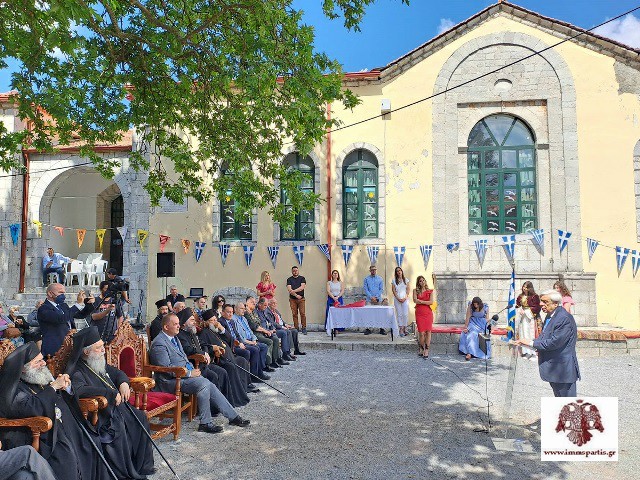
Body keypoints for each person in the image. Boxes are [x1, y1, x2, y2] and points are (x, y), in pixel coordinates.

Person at [0, 342, 111, 480]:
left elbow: (59, 398)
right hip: (39, 433)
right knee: (65, 455)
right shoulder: (14, 390)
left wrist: (67, 388)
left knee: (90, 441)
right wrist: (53, 387)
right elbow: (31, 408)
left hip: (64, 427)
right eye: (38, 362)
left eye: (42, 359)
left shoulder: (38, 378)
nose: (43, 363)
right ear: (23, 369)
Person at [65, 327, 155, 479]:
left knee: (140, 417)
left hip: (115, 409)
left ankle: (140, 466)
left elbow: (117, 373)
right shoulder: (77, 370)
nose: (103, 350)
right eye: (98, 347)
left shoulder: (96, 361)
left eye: (102, 346)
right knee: (118, 427)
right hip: (99, 415)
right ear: (86, 352)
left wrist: (123, 383)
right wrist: (110, 393)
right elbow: (80, 390)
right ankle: (124, 473)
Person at [149, 313, 250, 433]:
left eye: (178, 323)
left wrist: (192, 370)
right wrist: (189, 373)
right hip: (169, 381)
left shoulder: (174, 337)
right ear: (166, 327)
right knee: (204, 384)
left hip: (182, 376)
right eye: (175, 324)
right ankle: (206, 423)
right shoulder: (159, 343)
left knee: (209, 384)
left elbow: (184, 359)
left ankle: (233, 417)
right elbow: (166, 369)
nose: (178, 326)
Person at [515, 290, 581, 397]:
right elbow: (544, 337)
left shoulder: (563, 318)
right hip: (554, 368)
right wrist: (527, 343)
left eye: (545, 302)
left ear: (555, 303)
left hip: (562, 370)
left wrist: (531, 343)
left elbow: (554, 342)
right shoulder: (550, 315)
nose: (541, 304)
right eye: (541, 301)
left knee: (567, 402)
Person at [198, 309, 257, 402]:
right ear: (206, 322)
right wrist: (214, 350)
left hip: (229, 356)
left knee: (242, 361)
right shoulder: (204, 333)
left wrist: (221, 328)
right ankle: (234, 396)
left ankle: (243, 389)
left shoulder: (215, 330)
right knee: (231, 367)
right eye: (211, 320)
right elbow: (204, 347)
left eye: (215, 320)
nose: (214, 322)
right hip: (219, 360)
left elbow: (230, 339)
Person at [176, 308, 231, 402]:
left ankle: (224, 402)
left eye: (194, 320)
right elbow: (188, 349)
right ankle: (213, 406)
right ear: (184, 323)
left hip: (203, 363)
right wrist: (203, 353)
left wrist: (212, 348)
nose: (194, 322)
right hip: (193, 365)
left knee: (222, 372)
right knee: (213, 376)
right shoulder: (181, 335)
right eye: (192, 320)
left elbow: (203, 344)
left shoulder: (192, 332)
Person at [37, 284, 95, 357]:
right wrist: (78, 304)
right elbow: (61, 319)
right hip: (54, 348)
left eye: (64, 293)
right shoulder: (43, 308)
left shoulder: (63, 305)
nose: (63, 295)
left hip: (69, 345)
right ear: (50, 293)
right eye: (60, 292)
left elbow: (80, 315)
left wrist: (88, 304)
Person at [245, 296, 281, 369]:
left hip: (260, 332)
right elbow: (254, 326)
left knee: (274, 338)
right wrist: (265, 331)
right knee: (269, 342)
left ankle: (275, 360)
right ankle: (266, 363)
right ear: (247, 304)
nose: (254, 304)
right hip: (255, 333)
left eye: (254, 302)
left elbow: (259, 323)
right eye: (252, 303)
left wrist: (267, 331)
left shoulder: (253, 312)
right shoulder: (247, 314)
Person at [256, 298, 292, 363]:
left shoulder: (265, 311)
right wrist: (268, 330)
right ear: (259, 304)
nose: (266, 307)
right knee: (277, 337)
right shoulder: (259, 312)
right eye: (265, 305)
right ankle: (276, 359)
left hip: (271, 330)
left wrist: (273, 329)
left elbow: (270, 321)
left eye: (266, 305)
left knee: (291, 331)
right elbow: (261, 325)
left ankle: (286, 353)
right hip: (264, 332)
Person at [516, 281, 541, 360]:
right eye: (524, 287)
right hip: (522, 318)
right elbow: (517, 305)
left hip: (530, 318)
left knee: (530, 334)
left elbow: (537, 307)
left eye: (526, 287)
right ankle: (526, 352)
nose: (524, 288)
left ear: (530, 288)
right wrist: (519, 309)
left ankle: (533, 353)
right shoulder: (520, 296)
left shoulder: (534, 296)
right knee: (523, 334)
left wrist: (526, 311)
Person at [413, 276, 434, 358]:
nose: (422, 282)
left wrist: (421, 301)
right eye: (420, 281)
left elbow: (431, 302)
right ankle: (421, 348)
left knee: (428, 332)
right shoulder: (415, 291)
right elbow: (415, 300)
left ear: (425, 281)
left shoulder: (430, 291)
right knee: (421, 333)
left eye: (423, 280)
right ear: (418, 283)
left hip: (428, 313)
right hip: (419, 313)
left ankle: (427, 349)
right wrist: (425, 302)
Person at [363, 265, 386, 335]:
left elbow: (381, 289)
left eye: (375, 270)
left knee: (379, 314)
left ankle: (381, 328)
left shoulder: (380, 279)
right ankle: (368, 329)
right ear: (370, 271)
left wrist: (376, 297)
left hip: (378, 299)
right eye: (372, 270)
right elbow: (366, 289)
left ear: (376, 270)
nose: (373, 271)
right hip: (369, 300)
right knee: (369, 314)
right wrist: (371, 297)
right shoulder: (366, 279)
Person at [286, 266, 307, 334]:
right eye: (294, 271)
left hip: (301, 299)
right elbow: (289, 289)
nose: (295, 272)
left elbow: (302, 287)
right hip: (292, 299)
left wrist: (293, 291)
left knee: (302, 313)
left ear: (298, 271)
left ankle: (304, 328)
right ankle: (296, 328)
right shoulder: (289, 279)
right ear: (292, 272)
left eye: (296, 270)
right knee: (294, 314)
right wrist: (296, 295)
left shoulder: (302, 278)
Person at [391, 267, 411, 337]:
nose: (399, 272)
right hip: (397, 299)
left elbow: (408, 290)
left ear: (402, 271)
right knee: (399, 314)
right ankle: (401, 329)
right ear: (396, 273)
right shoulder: (394, 281)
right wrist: (398, 298)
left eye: (400, 270)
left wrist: (405, 298)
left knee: (405, 314)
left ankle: (405, 328)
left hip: (405, 299)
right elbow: (393, 290)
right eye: (397, 271)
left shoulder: (406, 280)